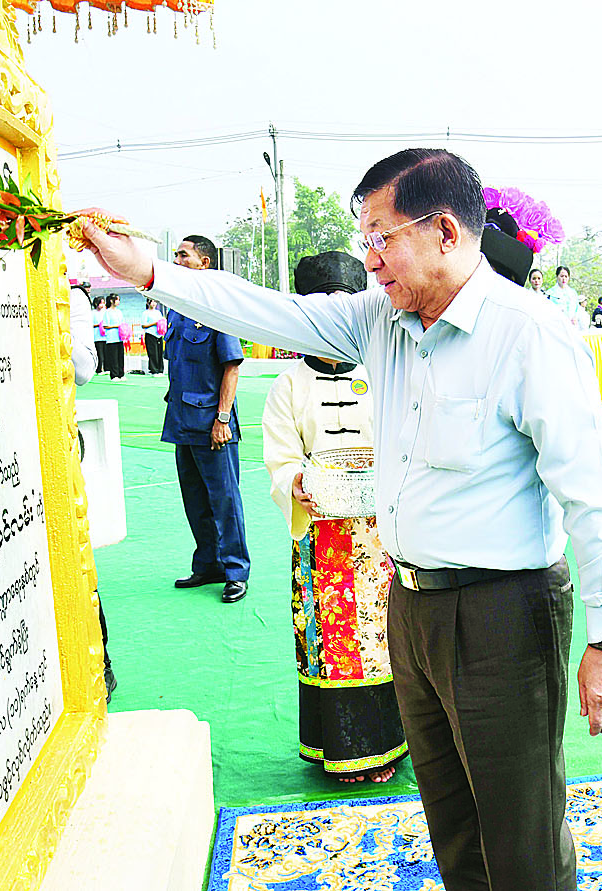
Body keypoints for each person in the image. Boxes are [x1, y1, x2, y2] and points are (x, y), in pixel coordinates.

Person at [77, 147, 602, 891]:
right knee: (452, 822)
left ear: (445, 231)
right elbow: (267, 310)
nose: (369, 260)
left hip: (504, 614)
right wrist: (150, 272)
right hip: (409, 605)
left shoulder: (527, 333)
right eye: (364, 240)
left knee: (522, 837)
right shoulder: (381, 321)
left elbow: (590, 496)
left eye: (382, 238)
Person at [261, 251, 408, 785]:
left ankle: (391, 744)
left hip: (380, 535)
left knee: (385, 638)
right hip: (320, 539)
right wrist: (294, 483)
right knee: (332, 643)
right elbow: (280, 456)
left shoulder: (382, 370)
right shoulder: (288, 385)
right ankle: (342, 748)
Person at [163, 235, 250, 603]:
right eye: (176, 255)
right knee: (195, 499)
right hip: (181, 420)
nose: (177, 260)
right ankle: (208, 565)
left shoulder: (217, 307)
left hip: (213, 423)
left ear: (204, 263)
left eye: (184, 255)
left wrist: (223, 418)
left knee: (225, 500)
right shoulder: (175, 308)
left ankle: (236, 571)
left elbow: (231, 366)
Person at [69, 285, 117, 700]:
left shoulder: (68, 296)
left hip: (54, 438)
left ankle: (100, 662)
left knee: (73, 550)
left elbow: (83, 369)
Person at [101, 294, 126, 380]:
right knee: (113, 357)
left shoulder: (119, 312)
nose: (118, 302)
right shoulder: (107, 312)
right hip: (111, 338)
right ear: (111, 301)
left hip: (120, 337)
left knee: (120, 357)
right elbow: (105, 326)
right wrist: (116, 326)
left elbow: (122, 323)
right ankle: (114, 375)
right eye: (117, 299)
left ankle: (121, 374)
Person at [139, 297, 165, 374]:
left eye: (155, 302)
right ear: (148, 303)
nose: (154, 304)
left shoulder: (158, 312)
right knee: (153, 353)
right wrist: (154, 323)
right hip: (150, 334)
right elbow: (143, 325)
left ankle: (160, 369)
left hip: (159, 334)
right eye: (152, 302)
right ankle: (154, 370)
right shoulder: (145, 313)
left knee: (160, 352)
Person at [91, 294, 106, 374]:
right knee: (99, 354)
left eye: (103, 303)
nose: (102, 305)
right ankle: (98, 369)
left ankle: (106, 368)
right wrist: (99, 325)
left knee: (106, 353)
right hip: (97, 336)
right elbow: (91, 324)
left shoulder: (105, 312)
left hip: (105, 336)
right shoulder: (92, 313)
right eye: (101, 303)